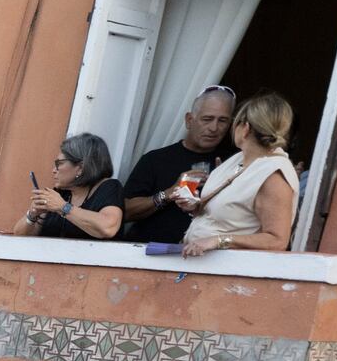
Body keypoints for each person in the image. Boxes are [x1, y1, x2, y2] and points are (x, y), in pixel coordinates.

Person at [180, 93, 300, 258]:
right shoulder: (239, 159)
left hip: (231, 271)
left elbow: (277, 240)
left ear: (245, 128)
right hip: (201, 265)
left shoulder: (273, 175)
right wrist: (195, 206)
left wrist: (218, 240)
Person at [118, 85, 235, 246]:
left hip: (208, 260)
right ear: (189, 120)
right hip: (149, 256)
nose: (214, 128)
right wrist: (169, 193)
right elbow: (122, 213)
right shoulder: (156, 159)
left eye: (222, 121)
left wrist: (226, 188)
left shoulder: (234, 163)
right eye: (207, 119)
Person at [22, 134, 125, 239]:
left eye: (59, 164)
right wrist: (32, 215)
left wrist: (63, 207)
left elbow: (108, 228)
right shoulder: (60, 193)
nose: (53, 170)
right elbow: (21, 238)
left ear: (80, 167)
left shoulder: (108, 188)